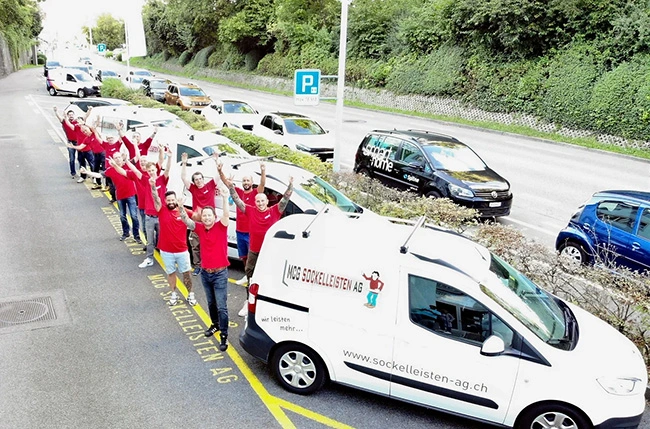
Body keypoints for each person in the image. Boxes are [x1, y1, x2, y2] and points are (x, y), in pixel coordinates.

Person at [227, 164, 293, 316]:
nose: (260, 203)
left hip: (269, 252)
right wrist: (231, 187)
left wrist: (290, 185)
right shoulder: (250, 211)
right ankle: (248, 302)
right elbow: (237, 200)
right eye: (258, 201)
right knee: (251, 275)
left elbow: (285, 198)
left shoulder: (274, 211)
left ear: (267, 202)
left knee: (270, 277)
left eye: (262, 201)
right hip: (254, 251)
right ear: (255, 202)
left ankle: (271, 304)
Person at [179, 186, 230, 351]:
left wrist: (224, 197)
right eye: (205, 215)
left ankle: (224, 335)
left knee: (222, 306)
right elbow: (186, 221)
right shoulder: (200, 228)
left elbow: (227, 215)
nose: (207, 218)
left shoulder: (221, 227)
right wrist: (180, 206)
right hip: (205, 273)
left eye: (210, 215)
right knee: (211, 303)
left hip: (220, 273)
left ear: (215, 217)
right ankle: (214, 325)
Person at [218, 160, 266, 316]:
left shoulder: (255, 194)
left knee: (252, 258)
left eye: (248, 181)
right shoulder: (238, 191)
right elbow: (228, 185)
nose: (246, 183)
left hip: (251, 232)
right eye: (244, 181)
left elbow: (263, 186)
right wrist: (220, 172)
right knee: (244, 257)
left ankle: (250, 276)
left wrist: (263, 171)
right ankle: (247, 274)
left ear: (252, 183)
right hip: (239, 231)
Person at [150, 178, 197, 307]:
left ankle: (190, 294)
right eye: (168, 200)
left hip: (182, 250)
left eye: (173, 200)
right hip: (166, 251)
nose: (171, 202)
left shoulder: (184, 211)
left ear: (176, 200)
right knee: (171, 273)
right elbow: (155, 198)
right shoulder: (161, 210)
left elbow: (196, 217)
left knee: (186, 273)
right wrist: (153, 187)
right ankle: (173, 294)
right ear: (165, 201)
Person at [80, 153, 142, 244]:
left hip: (131, 195)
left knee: (134, 216)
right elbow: (99, 175)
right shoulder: (111, 170)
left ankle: (136, 235)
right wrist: (87, 172)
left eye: (119, 157)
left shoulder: (128, 166)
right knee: (122, 216)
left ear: (122, 158)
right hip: (120, 196)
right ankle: (126, 233)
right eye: (115, 158)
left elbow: (137, 158)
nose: (117, 159)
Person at [126, 145, 171, 268]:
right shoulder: (145, 180)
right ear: (146, 171)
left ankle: (166, 258)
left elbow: (167, 169)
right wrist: (126, 161)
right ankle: (149, 259)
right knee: (150, 240)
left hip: (161, 216)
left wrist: (170, 157)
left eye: (153, 170)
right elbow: (135, 171)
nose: (151, 172)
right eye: (149, 170)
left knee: (163, 239)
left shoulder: (162, 180)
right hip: (149, 216)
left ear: (156, 170)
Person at [181, 152, 222, 277]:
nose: (198, 181)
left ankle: (210, 264)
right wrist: (184, 163)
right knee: (196, 245)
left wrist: (216, 160)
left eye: (200, 179)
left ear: (203, 179)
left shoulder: (210, 186)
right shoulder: (193, 189)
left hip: (210, 220)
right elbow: (183, 178)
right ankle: (198, 266)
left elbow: (219, 174)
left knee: (211, 244)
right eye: (196, 180)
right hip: (198, 220)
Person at [53, 106, 82, 179]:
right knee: (71, 158)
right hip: (70, 142)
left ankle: (83, 172)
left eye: (72, 114)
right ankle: (73, 172)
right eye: (70, 115)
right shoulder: (65, 122)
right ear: (68, 116)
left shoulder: (77, 122)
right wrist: (56, 112)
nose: (71, 116)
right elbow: (59, 118)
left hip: (78, 142)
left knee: (80, 158)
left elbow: (85, 118)